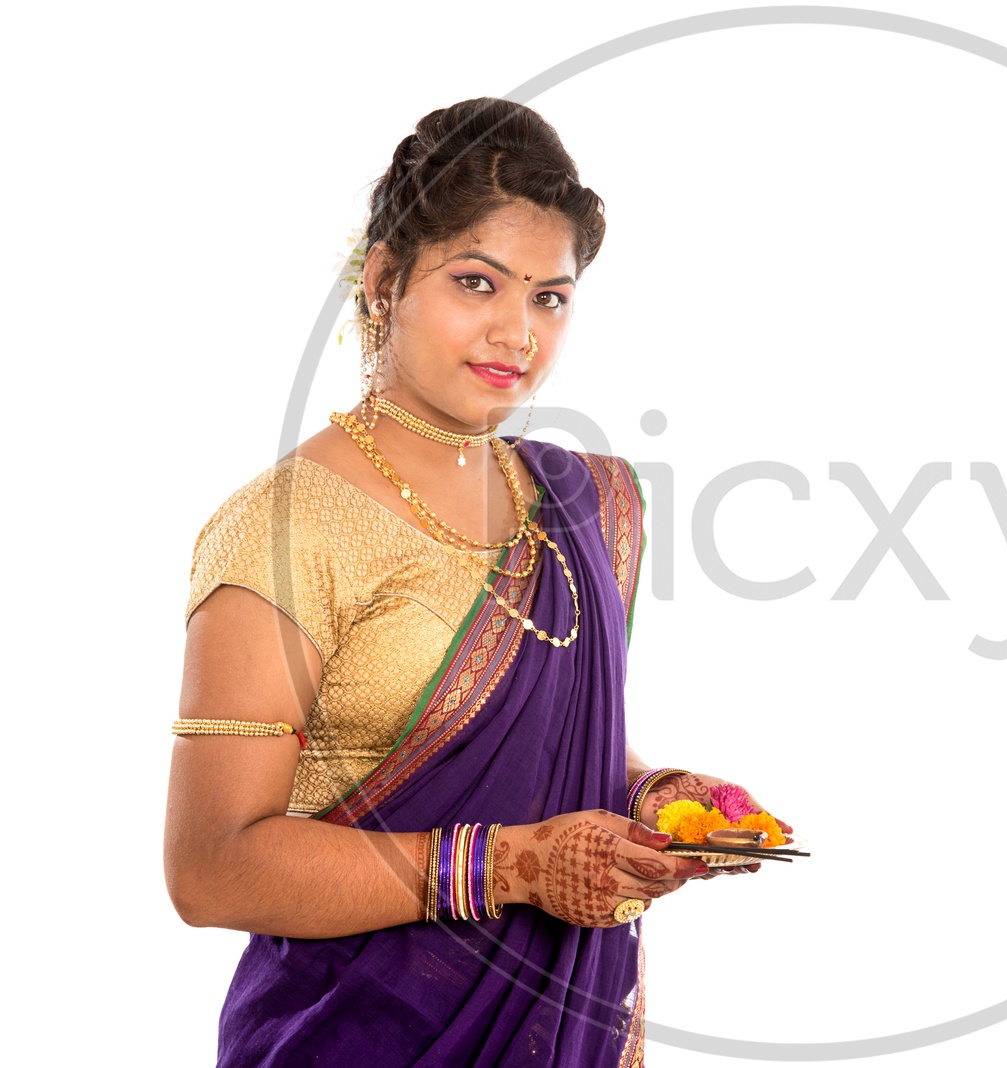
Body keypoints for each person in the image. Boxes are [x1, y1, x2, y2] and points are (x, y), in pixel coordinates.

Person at [165, 97, 792, 1067]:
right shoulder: (284, 530)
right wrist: (512, 866)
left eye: (549, 296)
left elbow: (552, 757)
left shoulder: (585, 503)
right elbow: (212, 869)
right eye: (476, 282)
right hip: (351, 1034)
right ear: (383, 281)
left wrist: (655, 799)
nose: (516, 331)